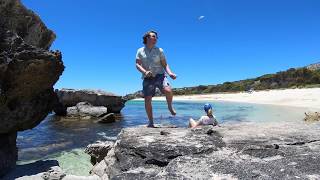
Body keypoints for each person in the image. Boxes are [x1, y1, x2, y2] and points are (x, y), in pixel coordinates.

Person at [135, 30, 177, 127]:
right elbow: (137, 64)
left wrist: (170, 73)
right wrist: (145, 72)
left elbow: (165, 64)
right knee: (147, 99)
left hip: (160, 75)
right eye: (153, 36)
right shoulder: (140, 51)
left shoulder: (159, 50)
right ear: (147, 38)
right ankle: (151, 122)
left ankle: (170, 106)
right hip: (148, 77)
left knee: (168, 90)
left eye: (156, 37)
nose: (156, 38)